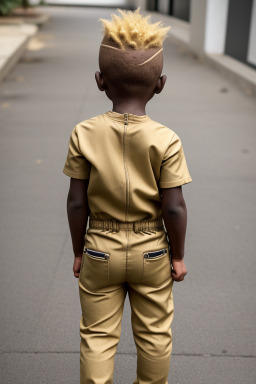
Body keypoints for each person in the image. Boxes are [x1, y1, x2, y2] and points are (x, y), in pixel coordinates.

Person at [63, 8, 192, 384]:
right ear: (160, 84)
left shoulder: (83, 133)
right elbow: (173, 206)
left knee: (97, 336)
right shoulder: (166, 139)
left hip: (99, 247)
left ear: (101, 81)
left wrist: (78, 250)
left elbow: (75, 201)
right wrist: (178, 255)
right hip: (152, 248)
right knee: (154, 336)